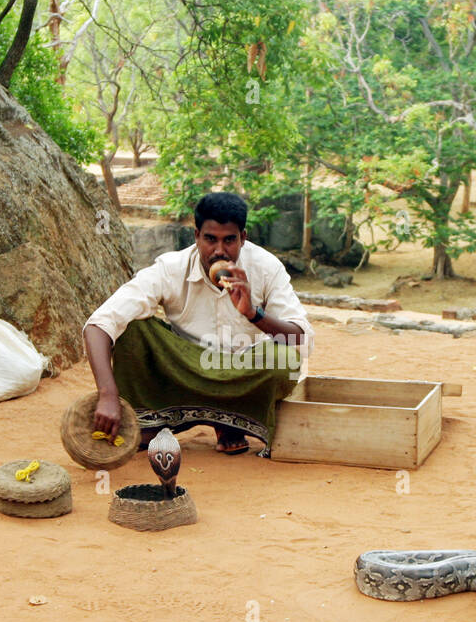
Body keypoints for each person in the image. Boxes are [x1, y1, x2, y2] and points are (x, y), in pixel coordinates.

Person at [83, 191, 313, 455]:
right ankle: (157, 421)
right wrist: (108, 394)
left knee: (284, 359)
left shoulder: (266, 267)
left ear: (243, 238)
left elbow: (298, 337)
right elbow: (99, 323)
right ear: (196, 237)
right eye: (210, 239)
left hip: (241, 372)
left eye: (229, 240)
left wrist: (253, 313)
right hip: (184, 370)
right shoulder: (171, 268)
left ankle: (229, 421)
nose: (219, 250)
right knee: (132, 330)